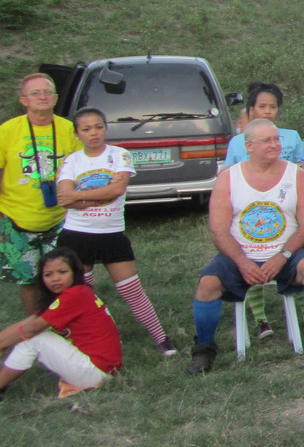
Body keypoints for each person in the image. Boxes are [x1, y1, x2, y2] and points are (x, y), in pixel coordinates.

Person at [187, 119, 304, 374]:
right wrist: (242, 262)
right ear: (249, 146)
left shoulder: (297, 176)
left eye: (277, 139)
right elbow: (218, 230)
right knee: (208, 283)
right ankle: (203, 350)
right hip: (239, 256)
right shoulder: (228, 178)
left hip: (288, 254)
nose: (275, 144)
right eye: (267, 140)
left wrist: (283, 256)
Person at [56, 107, 176, 357]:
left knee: (131, 289)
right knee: (82, 293)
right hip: (76, 235)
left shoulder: (119, 155)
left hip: (111, 234)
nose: (93, 133)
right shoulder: (72, 161)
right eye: (86, 129)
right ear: (77, 133)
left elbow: (117, 190)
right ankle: (90, 341)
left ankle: (161, 338)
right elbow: (64, 198)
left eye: (98, 127)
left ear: (106, 128)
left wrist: (81, 197)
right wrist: (96, 196)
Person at [224, 82, 304, 340]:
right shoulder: (238, 143)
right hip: (250, 215)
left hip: (285, 211)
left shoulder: (291, 136)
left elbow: (302, 165)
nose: (268, 111)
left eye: (273, 107)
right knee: (250, 256)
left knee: (299, 257)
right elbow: (227, 175)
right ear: (251, 110)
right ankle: (261, 319)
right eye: (262, 106)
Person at [0, 73, 83, 315]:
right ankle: (36, 327)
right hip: (16, 219)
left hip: (61, 219)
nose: (42, 97)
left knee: (65, 278)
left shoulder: (69, 129)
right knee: (29, 280)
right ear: (23, 100)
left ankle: (66, 323)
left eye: (47, 92)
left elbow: (83, 170)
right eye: (35, 93)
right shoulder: (7, 130)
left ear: (56, 98)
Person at [0, 248, 122, 402]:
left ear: (75, 273)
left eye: (62, 272)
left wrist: (2, 345)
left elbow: (32, 329)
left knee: (35, 338)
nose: (55, 279)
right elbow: (31, 320)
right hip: (102, 369)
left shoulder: (75, 294)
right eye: (48, 275)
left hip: (97, 371)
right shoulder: (72, 293)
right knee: (34, 335)